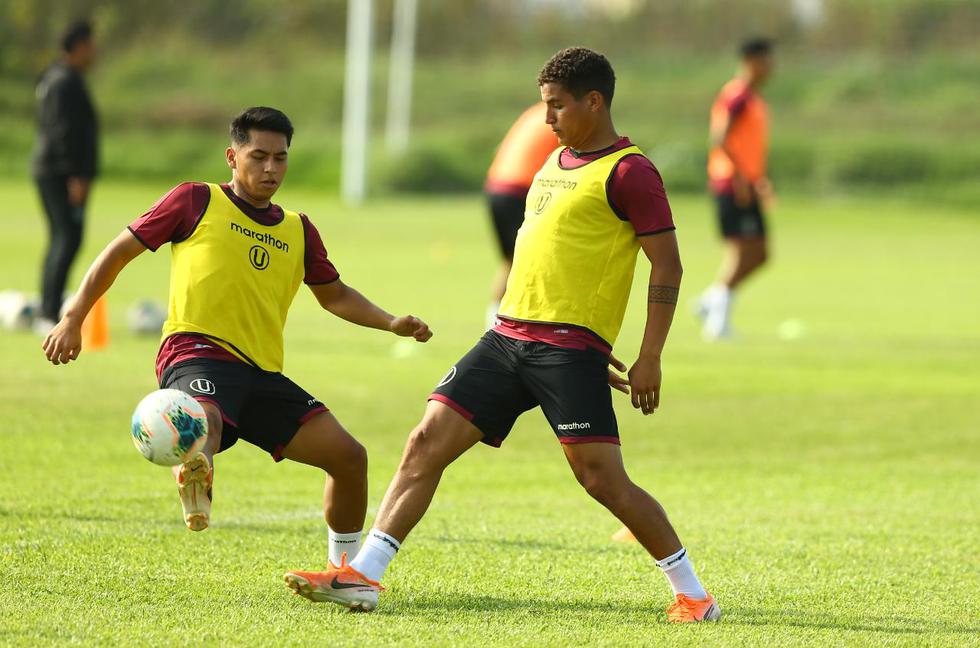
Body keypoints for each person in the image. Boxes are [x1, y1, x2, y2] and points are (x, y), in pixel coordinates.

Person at [285, 48, 720, 623]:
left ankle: (694, 595)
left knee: (601, 479)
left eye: (557, 106)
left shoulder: (630, 172)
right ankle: (364, 575)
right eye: (545, 107)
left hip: (567, 350)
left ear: (594, 102)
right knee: (424, 443)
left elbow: (667, 266)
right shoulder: (552, 161)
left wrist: (650, 356)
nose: (548, 119)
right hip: (505, 338)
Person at [42, 107, 432, 586]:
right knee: (204, 413)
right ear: (232, 156)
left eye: (281, 159)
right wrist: (73, 317)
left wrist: (391, 322)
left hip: (261, 374)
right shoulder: (194, 200)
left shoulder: (298, 228)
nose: (271, 169)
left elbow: (335, 295)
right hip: (196, 349)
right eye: (259, 156)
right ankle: (197, 473)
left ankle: (344, 574)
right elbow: (119, 251)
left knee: (349, 457)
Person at [698, 37, 775, 340]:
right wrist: (742, 179)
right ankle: (717, 322)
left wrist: (759, 180)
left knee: (759, 253)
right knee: (743, 251)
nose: (771, 68)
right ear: (752, 61)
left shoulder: (754, 98)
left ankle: (711, 301)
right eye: (767, 61)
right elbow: (720, 138)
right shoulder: (737, 95)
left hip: (747, 182)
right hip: (731, 182)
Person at [32, 20, 100, 333]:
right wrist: (75, 174)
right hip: (61, 173)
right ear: (77, 47)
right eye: (90, 44)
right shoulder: (65, 82)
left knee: (63, 237)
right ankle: (48, 311)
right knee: (67, 237)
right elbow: (64, 132)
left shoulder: (54, 77)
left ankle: (49, 305)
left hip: (52, 170)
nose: (94, 51)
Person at [483, 102, 559, 327]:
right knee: (539, 263)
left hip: (496, 186)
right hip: (521, 190)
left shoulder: (535, 112)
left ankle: (493, 325)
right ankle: (516, 331)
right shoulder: (565, 115)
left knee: (512, 262)